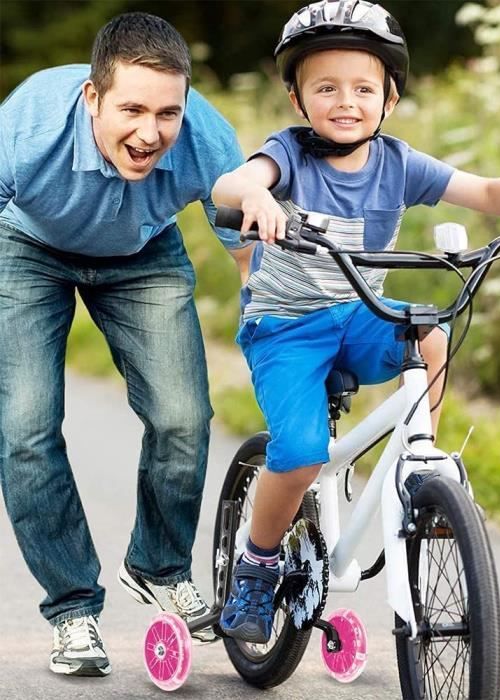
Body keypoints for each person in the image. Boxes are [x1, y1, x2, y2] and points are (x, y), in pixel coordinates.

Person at [211, 0, 500, 645]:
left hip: (359, 315)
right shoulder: (288, 156)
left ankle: (424, 462)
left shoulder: (399, 163)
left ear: (390, 99)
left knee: (430, 332)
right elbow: (230, 185)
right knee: (299, 455)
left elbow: (487, 192)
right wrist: (257, 197)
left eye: (363, 88)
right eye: (325, 87)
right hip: (286, 328)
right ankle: (256, 563)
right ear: (298, 101)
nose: (345, 101)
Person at [0, 12, 250, 677]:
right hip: (26, 248)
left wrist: (276, 332)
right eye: (132, 109)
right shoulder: (24, 128)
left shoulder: (204, 138)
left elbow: (248, 254)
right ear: (92, 97)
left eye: (167, 113)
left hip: (143, 252)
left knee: (183, 416)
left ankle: (159, 565)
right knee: (24, 427)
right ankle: (73, 606)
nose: (150, 133)